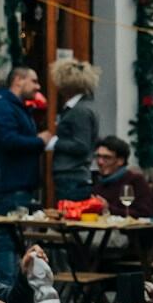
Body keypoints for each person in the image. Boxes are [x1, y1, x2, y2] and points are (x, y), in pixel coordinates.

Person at [0, 66, 55, 283]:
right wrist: (39, 141)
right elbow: (8, 141)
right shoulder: (4, 107)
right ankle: (6, 295)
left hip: (19, 183)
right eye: (33, 81)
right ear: (18, 80)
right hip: (10, 184)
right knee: (8, 239)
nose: (38, 86)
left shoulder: (16, 107)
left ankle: (15, 293)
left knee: (16, 240)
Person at [48, 58, 100, 202]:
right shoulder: (82, 108)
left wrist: (53, 142)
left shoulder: (80, 111)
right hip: (74, 176)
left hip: (72, 176)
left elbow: (81, 145)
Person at [91, 136, 153, 218]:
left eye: (107, 158)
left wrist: (108, 209)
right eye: (98, 157)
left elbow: (145, 213)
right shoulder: (100, 183)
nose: (100, 162)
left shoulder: (135, 181)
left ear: (120, 161)